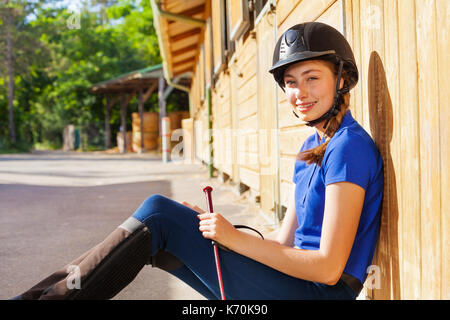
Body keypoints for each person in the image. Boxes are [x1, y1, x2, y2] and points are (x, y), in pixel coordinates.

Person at [14, 22, 383, 300]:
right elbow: (284, 240)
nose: (299, 93)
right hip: (295, 282)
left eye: (312, 78)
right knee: (165, 229)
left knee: (158, 215)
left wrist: (230, 240)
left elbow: (329, 267)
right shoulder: (311, 146)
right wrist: (216, 230)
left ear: (341, 79)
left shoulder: (348, 149)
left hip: (318, 292)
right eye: (290, 82)